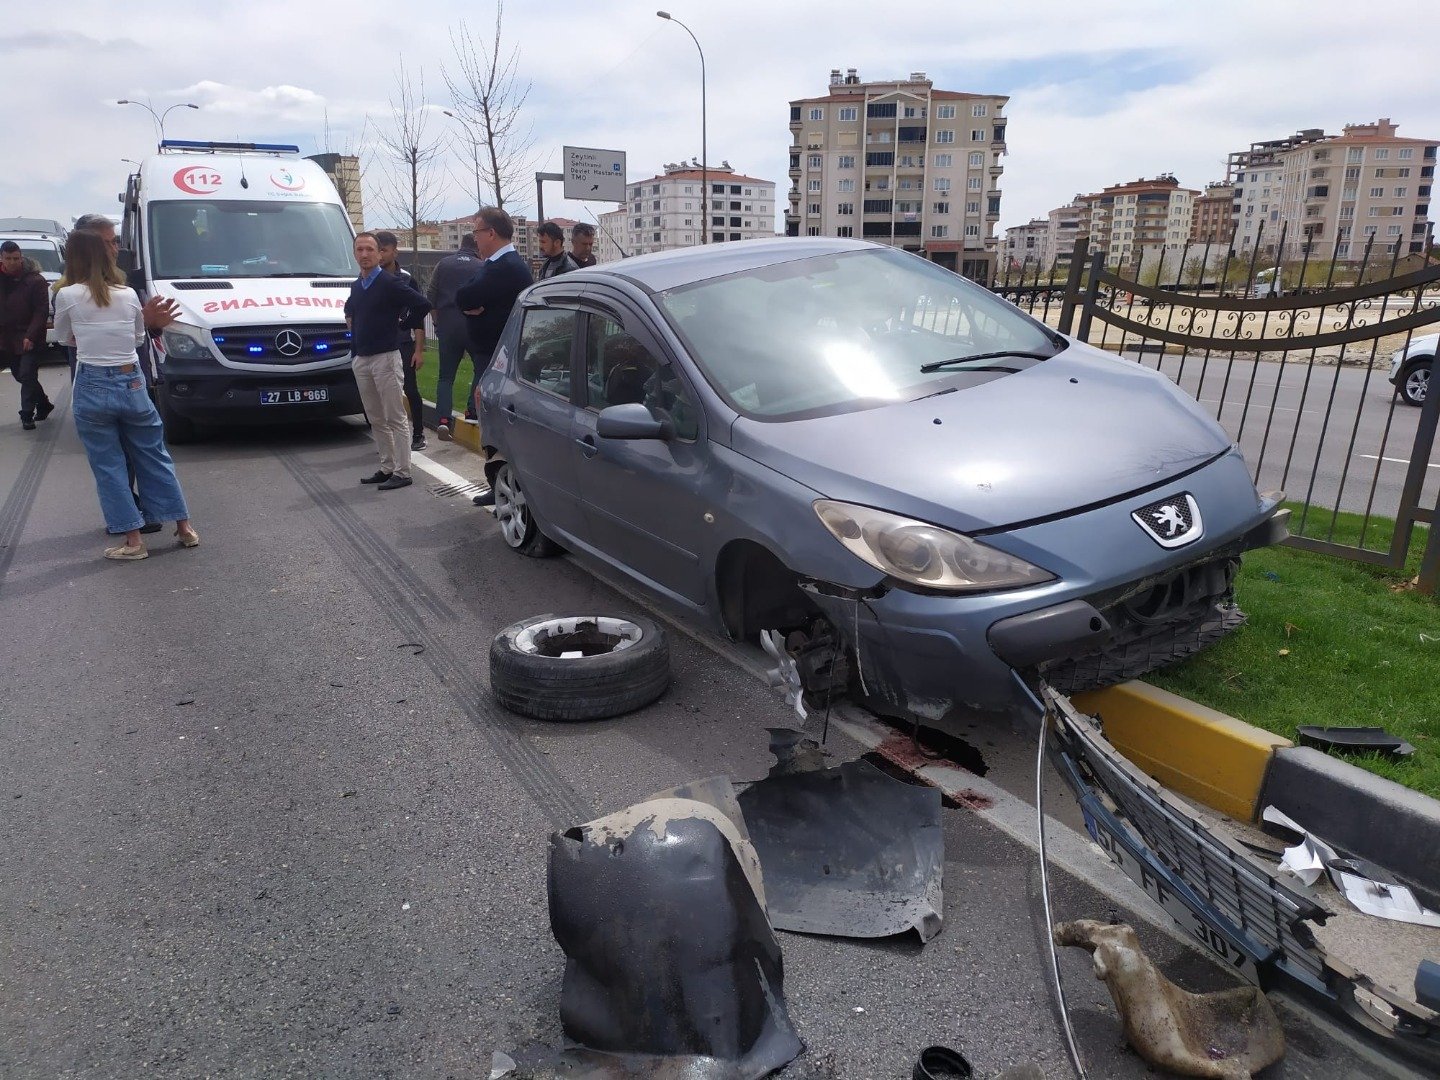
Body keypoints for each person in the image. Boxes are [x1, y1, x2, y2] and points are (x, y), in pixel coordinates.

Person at [53, 231, 198, 560]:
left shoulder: (67, 295)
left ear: (71, 258)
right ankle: (184, 527)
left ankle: (133, 541)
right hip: (131, 379)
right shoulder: (129, 293)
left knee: (109, 465)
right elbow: (136, 338)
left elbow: (63, 337)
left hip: (92, 381)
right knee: (154, 455)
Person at [72, 212, 181, 535]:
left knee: (144, 452)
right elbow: (75, 339)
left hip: (138, 375)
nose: (113, 249)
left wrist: (154, 326)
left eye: (114, 241)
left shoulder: (128, 283)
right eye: (105, 243)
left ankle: (146, 512)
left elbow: (143, 333)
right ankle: (129, 515)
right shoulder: (70, 290)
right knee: (113, 457)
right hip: (97, 381)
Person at [454, 208, 533, 504]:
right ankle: (498, 481)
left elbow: (464, 297)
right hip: (488, 356)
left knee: (497, 425)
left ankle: (504, 483)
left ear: (491, 233)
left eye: (477, 232)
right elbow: (466, 296)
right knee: (491, 423)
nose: (475, 239)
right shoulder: (496, 265)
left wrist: (473, 304)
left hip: (499, 359)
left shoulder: (506, 267)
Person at [344, 232, 432, 491]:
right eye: (359, 249)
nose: (365, 254)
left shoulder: (389, 282)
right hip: (362, 358)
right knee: (375, 417)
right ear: (354, 253)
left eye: (370, 249)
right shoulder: (357, 285)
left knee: (395, 416)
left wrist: (403, 324)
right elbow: (351, 309)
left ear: (379, 252)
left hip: (386, 357)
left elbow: (422, 304)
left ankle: (403, 471)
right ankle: (387, 466)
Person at [374, 231, 429, 452]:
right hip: (379, 346)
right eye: (378, 250)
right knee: (383, 394)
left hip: (403, 344)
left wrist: (419, 350)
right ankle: (388, 439)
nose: (380, 255)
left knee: (411, 389)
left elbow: (418, 315)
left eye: (384, 250)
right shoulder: (370, 279)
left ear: (395, 251)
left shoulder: (407, 280)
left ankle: (418, 434)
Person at [427, 233, 482, 441]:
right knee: (480, 368)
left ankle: (443, 420)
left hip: (448, 327)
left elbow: (431, 298)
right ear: (476, 246)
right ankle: (471, 411)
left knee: (446, 377)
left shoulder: (443, 264)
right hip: (472, 328)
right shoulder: (481, 265)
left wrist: (437, 323)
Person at [0, 240, 54, 430]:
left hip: (30, 335)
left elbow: (41, 311)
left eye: (16, 258)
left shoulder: (35, 280)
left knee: (27, 372)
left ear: (21, 257)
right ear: (1, 259)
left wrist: (30, 335)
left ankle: (26, 415)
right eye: (8, 259)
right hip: (7, 337)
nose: (13, 263)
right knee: (19, 375)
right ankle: (44, 403)